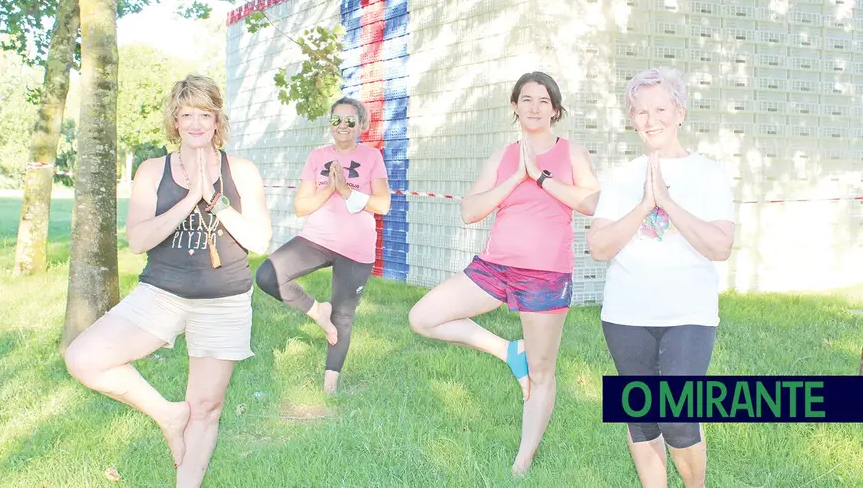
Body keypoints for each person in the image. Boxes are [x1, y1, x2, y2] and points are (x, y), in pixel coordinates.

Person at [64, 74, 272, 488]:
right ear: (174, 121)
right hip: (161, 293)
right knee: (84, 358)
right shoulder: (152, 170)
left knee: (207, 405)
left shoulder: (242, 171)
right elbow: (139, 240)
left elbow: (260, 241)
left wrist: (214, 202)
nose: (196, 123)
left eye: (205, 115)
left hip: (224, 299)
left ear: (218, 120)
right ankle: (167, 414)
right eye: (186, 114)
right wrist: (188, 198)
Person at [408, 71, 600, 475]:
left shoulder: (571, 152)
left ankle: (522, 461)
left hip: (545, 274)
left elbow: (592, 203)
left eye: (543, 101)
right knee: (422, 317)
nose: (534, 107)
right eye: (526, 99)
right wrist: (516, 177)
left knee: (543, 371)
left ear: (555, 110)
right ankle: (508, 351)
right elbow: (469, 210)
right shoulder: (503, 155)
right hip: (495, 267)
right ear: (514, 106)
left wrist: (542, 178)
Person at [587, 66, 735, 488]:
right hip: (626, 314)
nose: (651, 119)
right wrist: (643, 205)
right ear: (632, 119)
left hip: (688, 314)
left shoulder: (709, 173)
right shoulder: (622, 177)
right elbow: (599, 248)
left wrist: (667, 203)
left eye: (660, 108)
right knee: (642, 420)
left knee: (679, 419)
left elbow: (719, 246)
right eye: (640, 111)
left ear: (681, 113)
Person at [255, 97, 390, 395]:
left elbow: (383, 205)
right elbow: (301, 207)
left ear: (361, 125)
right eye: (336, 120)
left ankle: (330, 385)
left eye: (350, 121)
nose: (342, 126)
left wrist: (345, 190)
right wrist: (329, 188)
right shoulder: (317, 156)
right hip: (317, 239)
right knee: (267, 275)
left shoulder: (372, 157)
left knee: (344, 314)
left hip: (356, 247)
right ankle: (318, 312)